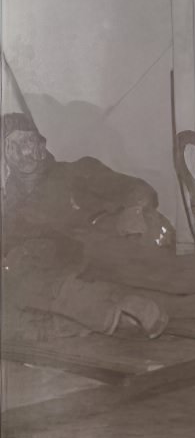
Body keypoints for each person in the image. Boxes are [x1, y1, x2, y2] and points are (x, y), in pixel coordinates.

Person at [2, 112, 170, 338]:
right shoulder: (9, 203)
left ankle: (118, 312)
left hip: (107, 259)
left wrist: (135, 212)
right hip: (56, 278)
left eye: (30, 141)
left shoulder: (75, 172)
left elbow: (137, 189)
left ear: (41, 143)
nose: (26, 152)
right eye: (14, 146)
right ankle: (113, 315)